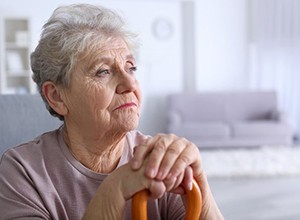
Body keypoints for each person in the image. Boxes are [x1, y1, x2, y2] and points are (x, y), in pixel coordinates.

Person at [0, 4, 223, 220]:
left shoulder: (157, 161)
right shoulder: (22, 171)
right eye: (103, 71)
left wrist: (200, 184)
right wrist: (113, 191)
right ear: (57, 97)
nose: (129, 83)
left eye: (130, 67)